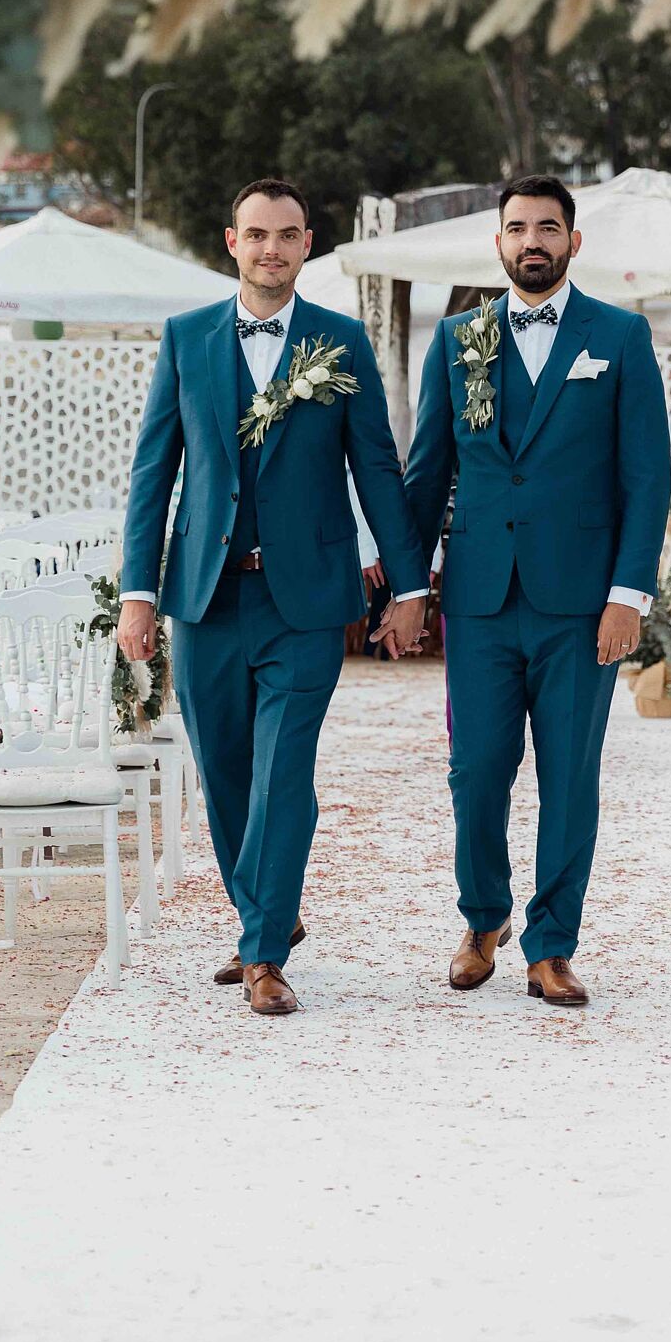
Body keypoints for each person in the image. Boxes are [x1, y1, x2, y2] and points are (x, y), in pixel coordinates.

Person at [117, 179, 428, 1017]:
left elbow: (376, 469)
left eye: (287, 236)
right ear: (231, 242)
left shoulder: (341, 341)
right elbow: (155, 473)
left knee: (283, 773)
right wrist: (137, 593)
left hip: (308, 601)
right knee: (223, 775)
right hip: (206, 598)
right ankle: (269, 917)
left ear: (306, 244)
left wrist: (408, 584)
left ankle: (260, 955)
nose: (271, 249)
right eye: (256, 235)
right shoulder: (186, 340)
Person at [377, 173, 671, 1007]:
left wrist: (629, 595)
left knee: (568, 779)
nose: (531, 241)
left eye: (547, 227)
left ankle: (551, 946)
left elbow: (645, 477)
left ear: (573, 243)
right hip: (477, 599)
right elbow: (427, 468)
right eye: (517, 228)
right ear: (498, 243)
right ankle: (482, 920)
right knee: (474, 772)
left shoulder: (619, 336)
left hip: (581, 603)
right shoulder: (458, 337)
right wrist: (408, 585)